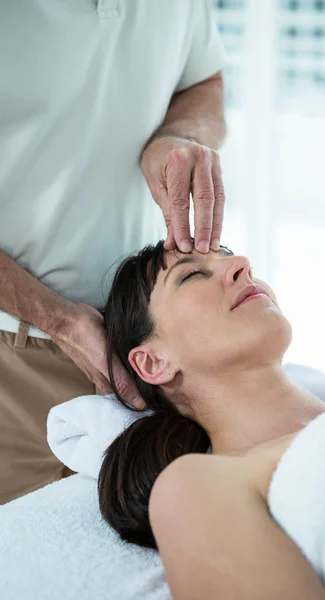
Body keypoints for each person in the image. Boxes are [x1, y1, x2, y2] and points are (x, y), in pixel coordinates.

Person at [0, 1, 227, 504]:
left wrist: (176, 136)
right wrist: (56, 319)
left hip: (132, 342)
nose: (238, 268)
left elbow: (203, 82)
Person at [98, 241, 325, 599]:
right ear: (152, 363)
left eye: (230, 256)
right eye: (192, 275)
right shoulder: (191, 489)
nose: (243, 263)